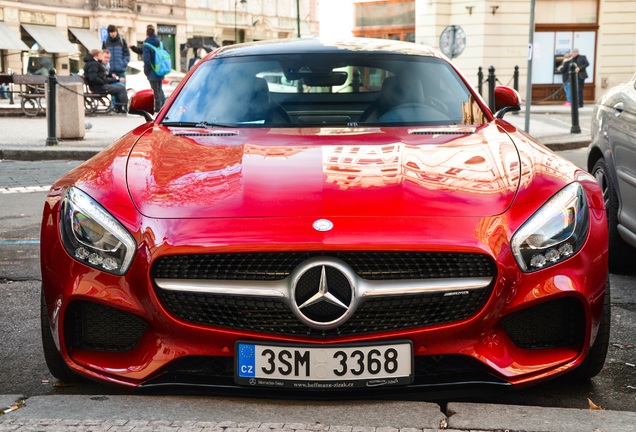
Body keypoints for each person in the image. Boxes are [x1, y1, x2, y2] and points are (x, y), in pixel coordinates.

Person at [83, 48, 128, 113]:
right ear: (96, 55)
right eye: (100, 55)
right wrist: (102, 81)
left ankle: (119, 108)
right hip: (99, 87)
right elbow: (93, 77)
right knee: (121, 89)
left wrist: (108, 76)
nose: (101, 56)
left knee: (119, 88)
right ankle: (125, 107)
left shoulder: (93, 63)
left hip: (98, 86)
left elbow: (99, 74)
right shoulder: (93, 64)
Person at [142, 24, 165, 112]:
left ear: (147, 34)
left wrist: (146, 71)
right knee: (159, 89)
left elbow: (147, 60)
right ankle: (162, 107)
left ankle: (157, 108)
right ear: (154, 32)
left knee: (155, 90)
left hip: (152, 70)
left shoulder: (147, 45)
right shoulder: (160, 42)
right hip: (160, 69)